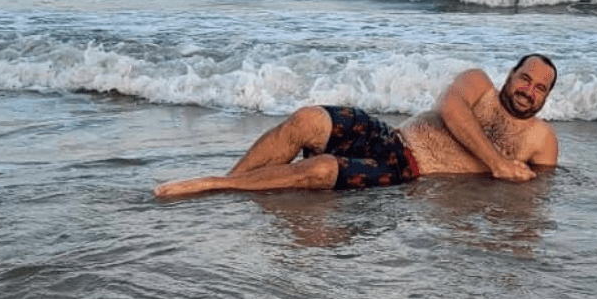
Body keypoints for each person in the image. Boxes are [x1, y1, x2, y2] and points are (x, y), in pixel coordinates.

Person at [153, 54, 559, 198]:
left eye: (540, 88)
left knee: (320, 170)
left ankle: (216, 185)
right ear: (511, 74)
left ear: (545, 97)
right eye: (525, 78)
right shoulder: (477, 83)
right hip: (391, 136)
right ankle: (229, 183)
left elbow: (537, 196)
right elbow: (452, 111)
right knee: (308, 119)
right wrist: (497, 163)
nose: (529, 90)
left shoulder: (541, 140)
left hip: (407, 171)